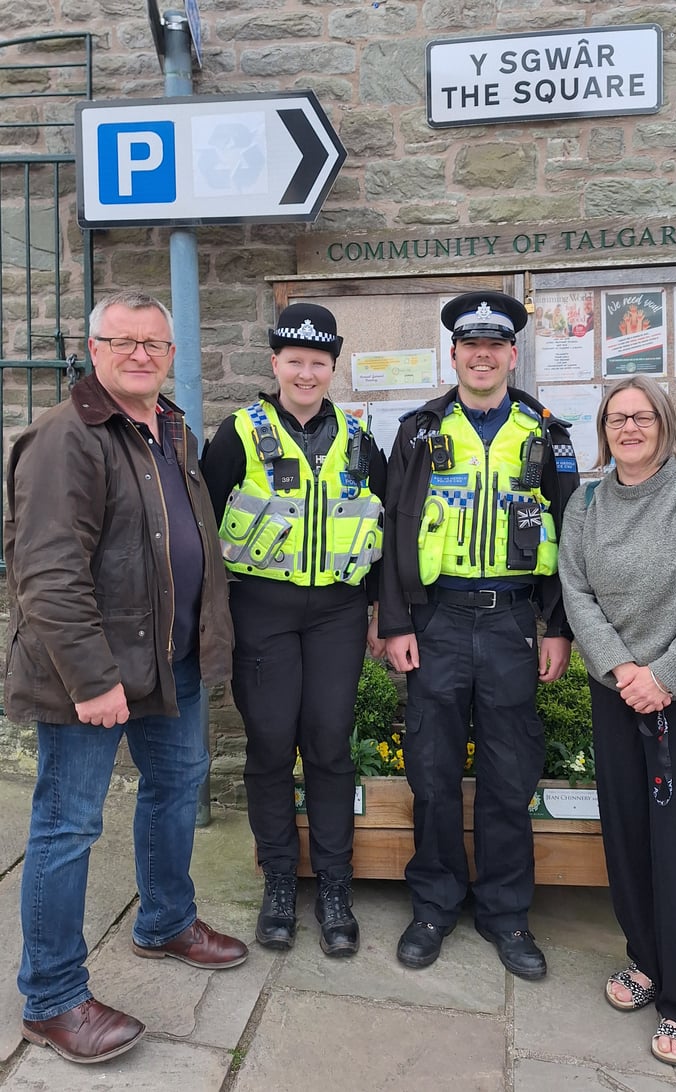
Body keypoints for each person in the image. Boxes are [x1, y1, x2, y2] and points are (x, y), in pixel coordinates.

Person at [4, 291, 248, 1065]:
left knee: (176, 789)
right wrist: (90, 678)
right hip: (95, 677)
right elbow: (46, 573)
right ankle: (51, 997)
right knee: (67, 825)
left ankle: (166, 921)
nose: (141, 353)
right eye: (124, 341)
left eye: (155, 343)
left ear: (171, 354)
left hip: (169, 665)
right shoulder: (64, 436)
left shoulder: (168, 427)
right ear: (93, 346)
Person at [379, 291, 579, 978]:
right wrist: (396, 622)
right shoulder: (418, 430)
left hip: (513, 622)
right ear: (455, 353)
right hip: (437, 619)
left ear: (512, 355)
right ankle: (433, 905)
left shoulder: (548, 434)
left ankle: (505, 913)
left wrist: (559, 627)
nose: (483, 355)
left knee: (507, 773)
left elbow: (570, 532)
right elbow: (394, 529)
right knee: (432, 769)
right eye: (471, 345)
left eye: (495, 346)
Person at [557, 375, 676, 1067]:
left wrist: (664, 675)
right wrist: (621, 672)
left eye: (641, 417)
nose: (629, 429)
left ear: (664, 424)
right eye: (616, 419)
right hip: (618, 696)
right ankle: (645, 961)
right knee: (629, 838)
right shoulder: (586, 503)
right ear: (603, 430)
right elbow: (574, 590)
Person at [201, 303, 386, 958]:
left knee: (330, 742)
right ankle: (281, 879)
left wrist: (380, 616)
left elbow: (381, 530)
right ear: (275, 362)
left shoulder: (360, 438)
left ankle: (335, 883)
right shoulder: (238, 434)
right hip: (264, 608)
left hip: (337, 610)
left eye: (319, 363)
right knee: (272, 743)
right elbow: (204, 524)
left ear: (333, 368)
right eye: (294, 361)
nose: (306, 373)